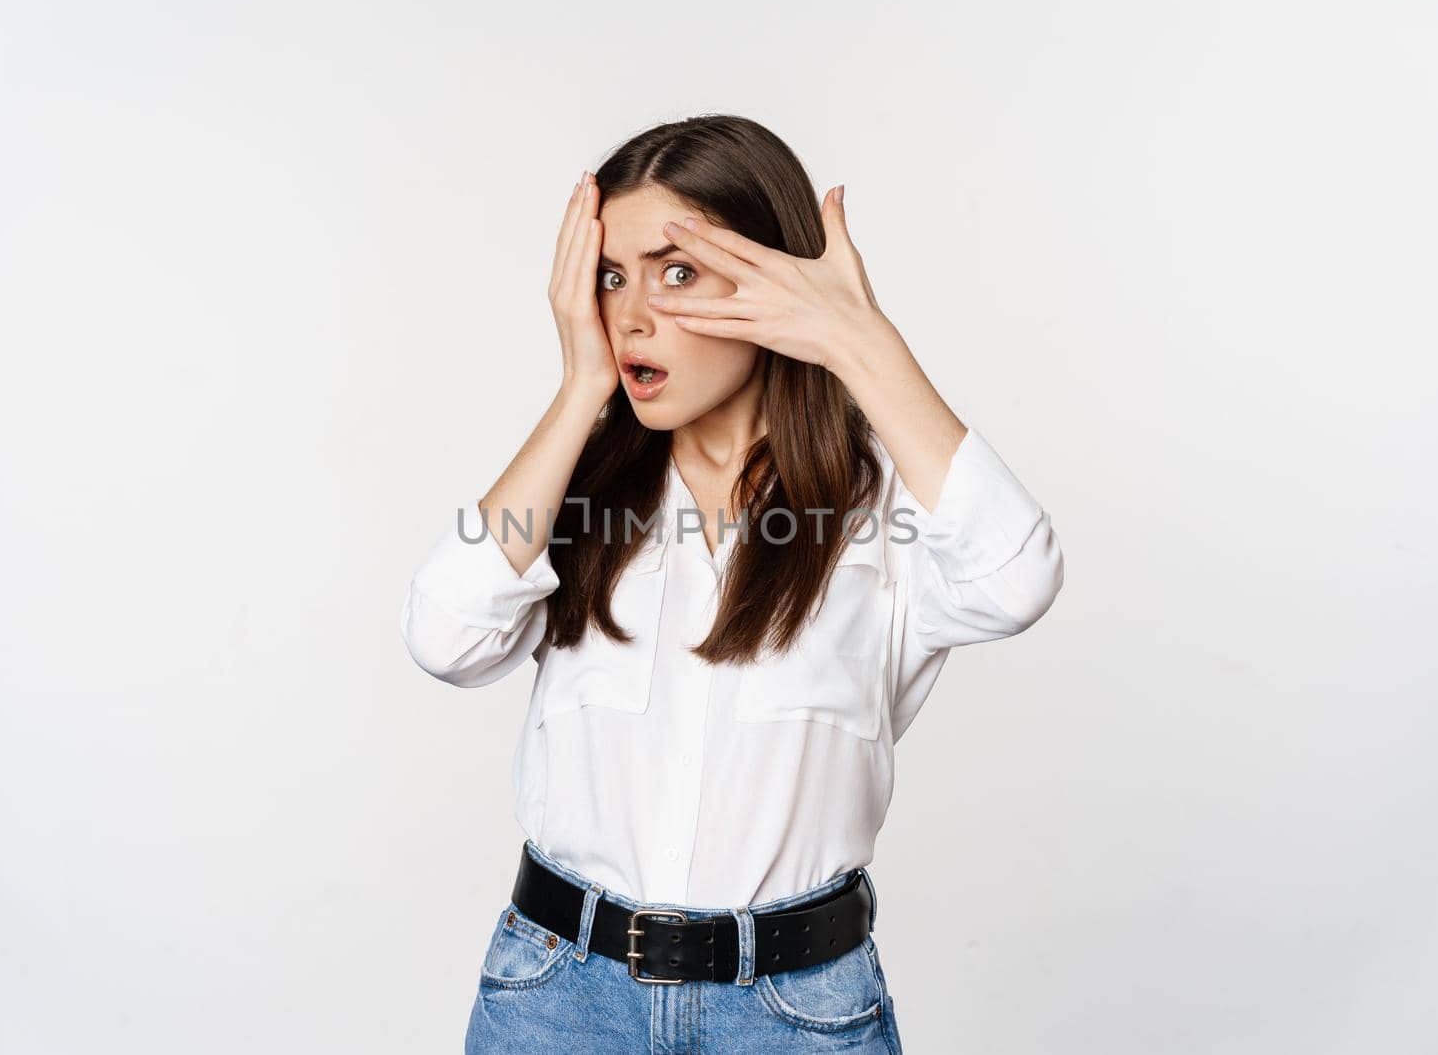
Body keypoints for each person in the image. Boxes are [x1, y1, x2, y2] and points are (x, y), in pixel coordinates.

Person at [401, 114, 1064, 1053]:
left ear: (775, 282)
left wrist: (859, 342)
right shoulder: (574, 491)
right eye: (610, 277)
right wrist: (578, 391)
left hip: (797, 1013)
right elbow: (445, 636)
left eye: (676, 272)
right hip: (560, 1002)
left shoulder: (887, 509)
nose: (631, 314)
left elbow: (1018, 575)